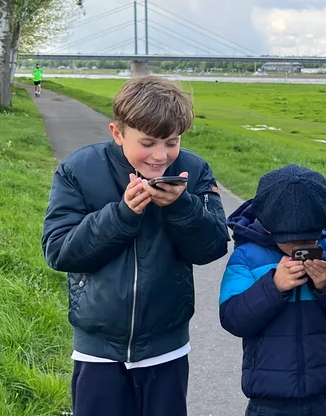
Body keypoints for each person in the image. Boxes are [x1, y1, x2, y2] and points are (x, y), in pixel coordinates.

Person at [41, 75, 230, 416]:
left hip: (167, 347)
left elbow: (212, 248)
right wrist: (123, 214)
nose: (161, 156)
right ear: (117, 133)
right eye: (148, 143)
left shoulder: (194, 170)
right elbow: (60, 251)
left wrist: (180, 205)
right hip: (97, 349)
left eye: (171, 142)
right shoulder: (78, 170)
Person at [219, 164, 326, 416]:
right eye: (291, 241)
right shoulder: (247, 256)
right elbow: (233, 319)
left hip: (323, 394)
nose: (301, 248)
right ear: (269, 226)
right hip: (268, 399)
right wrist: (273, 286)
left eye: (310, 240)